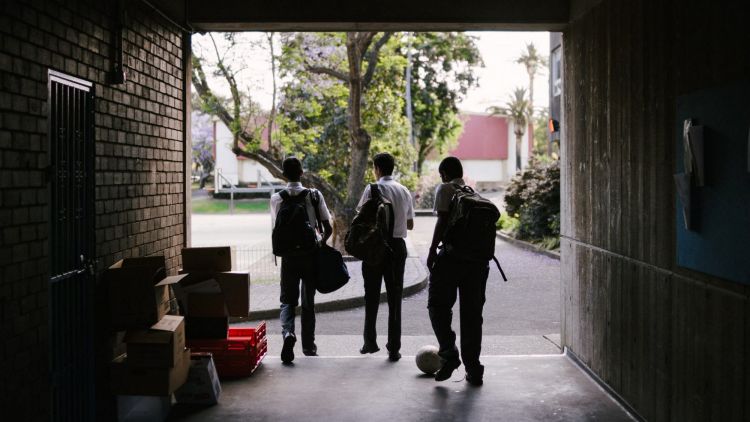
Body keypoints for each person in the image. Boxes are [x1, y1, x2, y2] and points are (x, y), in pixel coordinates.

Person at [426, 156, 489, 386]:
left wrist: (432, 250)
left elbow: (442, 221)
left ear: (443, 173)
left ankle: (449, 355)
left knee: (437, 305)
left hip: (452, 259)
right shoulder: (473, 193)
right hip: (478, 263)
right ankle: (474, 370)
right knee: (472, 317)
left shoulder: (445, 189)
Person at [270, 157, 333, 364]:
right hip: (309, 255)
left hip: (288, 258)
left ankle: (288, 334)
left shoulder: (277, 198)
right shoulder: (314, 195)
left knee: (287, 301)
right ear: (302, 172)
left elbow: (276, 229)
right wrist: (320, 242)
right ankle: (309, 346)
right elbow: (328, 228)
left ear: (283, 175)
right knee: (308, 302)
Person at [356, 152, 415, 361]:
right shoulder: (404, 190)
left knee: (371, 296)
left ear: (377, 169)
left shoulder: (372, 189)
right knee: (395, 298)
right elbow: (410, 224)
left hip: (374, 248)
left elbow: (361, 217)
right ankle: (394, 348)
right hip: (397, 248)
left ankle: (369, 342)